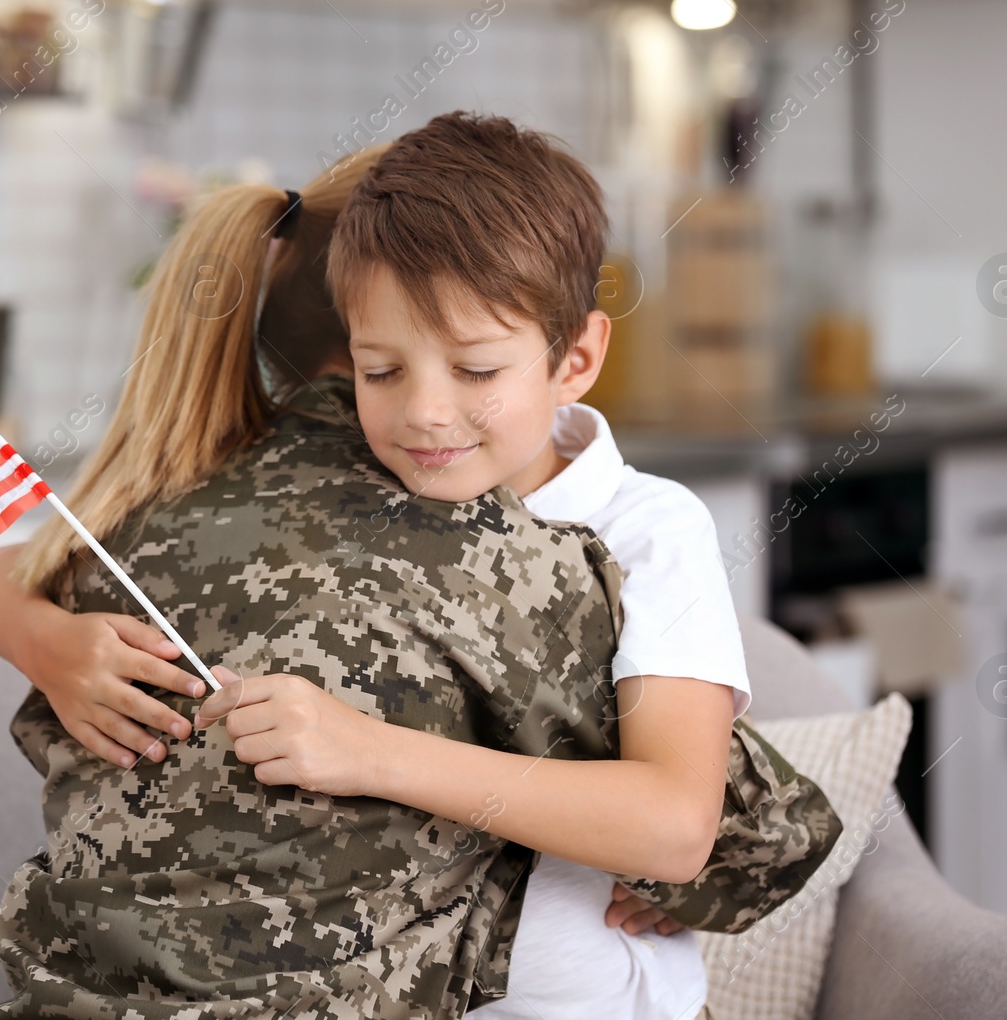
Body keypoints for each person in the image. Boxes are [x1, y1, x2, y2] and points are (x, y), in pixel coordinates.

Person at [189, 113, 749, 1020]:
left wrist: (365, 752)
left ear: (577, 358)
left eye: (478, 370)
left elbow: (677, 827)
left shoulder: (647, 529)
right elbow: (12, 564)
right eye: (381, 371)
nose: (426, 414)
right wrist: (49, 640)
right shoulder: (352, 496)